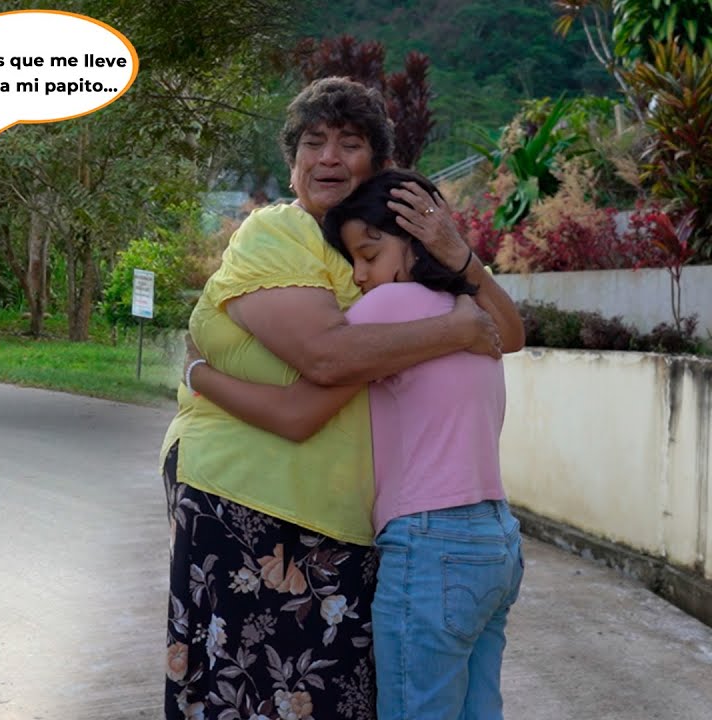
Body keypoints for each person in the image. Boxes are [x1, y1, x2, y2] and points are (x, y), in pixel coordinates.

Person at [160, 77, 524, 720]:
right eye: (312, 142)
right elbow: (327, 362)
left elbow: (510, 334)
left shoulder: (385, 276)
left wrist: (457, 255)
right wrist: (457, 326)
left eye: (348, 143)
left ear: (378, 167)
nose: (328, 156)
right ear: (292, 162)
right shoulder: (280, 230)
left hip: (346, 525)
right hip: (253, 502)